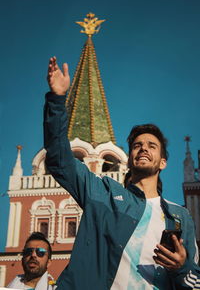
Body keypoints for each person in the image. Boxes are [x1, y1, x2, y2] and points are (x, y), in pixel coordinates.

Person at [44, 56, 200, 289]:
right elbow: (59, 159)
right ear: (129, 159)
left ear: (163, 163)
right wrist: (57, 100)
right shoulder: (102, 193)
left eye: (152, 145)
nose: (144, 148)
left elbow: (195, 281)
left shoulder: (179, 217)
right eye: (137, 145)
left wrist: (182, 267)